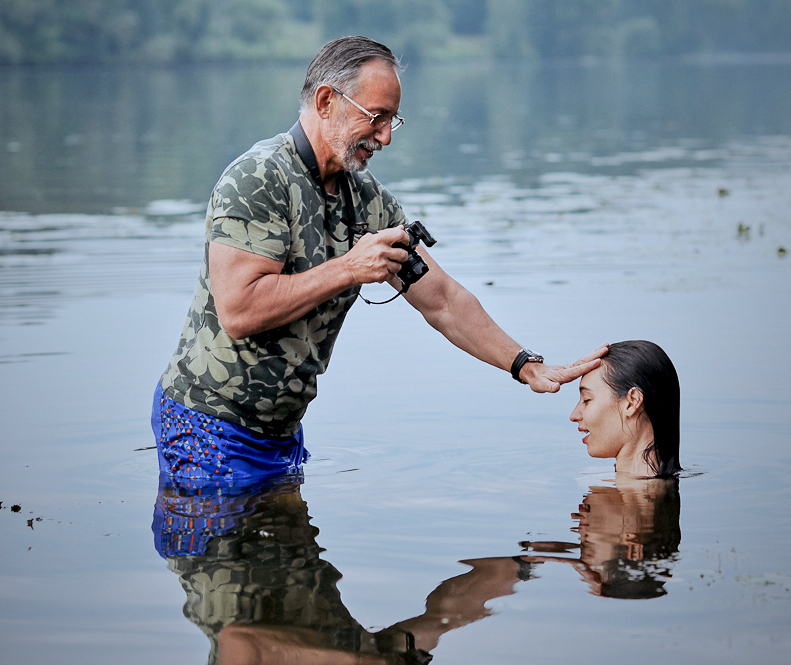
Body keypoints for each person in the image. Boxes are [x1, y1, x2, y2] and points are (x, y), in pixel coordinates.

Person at [153, 35, 606, 482]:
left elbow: (443, 300)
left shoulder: (369, 201)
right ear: (327, 101)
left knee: (286, 535)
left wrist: (524, 364)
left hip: (282, 434)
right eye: (377, 116)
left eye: (393, 120)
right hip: (207, 423)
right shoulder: (257, 178)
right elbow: (239, 310)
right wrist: (350, 268)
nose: (386, 136)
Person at [569, 340, 681, 478]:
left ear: (632, 402)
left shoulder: (590, 481)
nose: (573, 415)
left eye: (587, 400)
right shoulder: (594, 479)